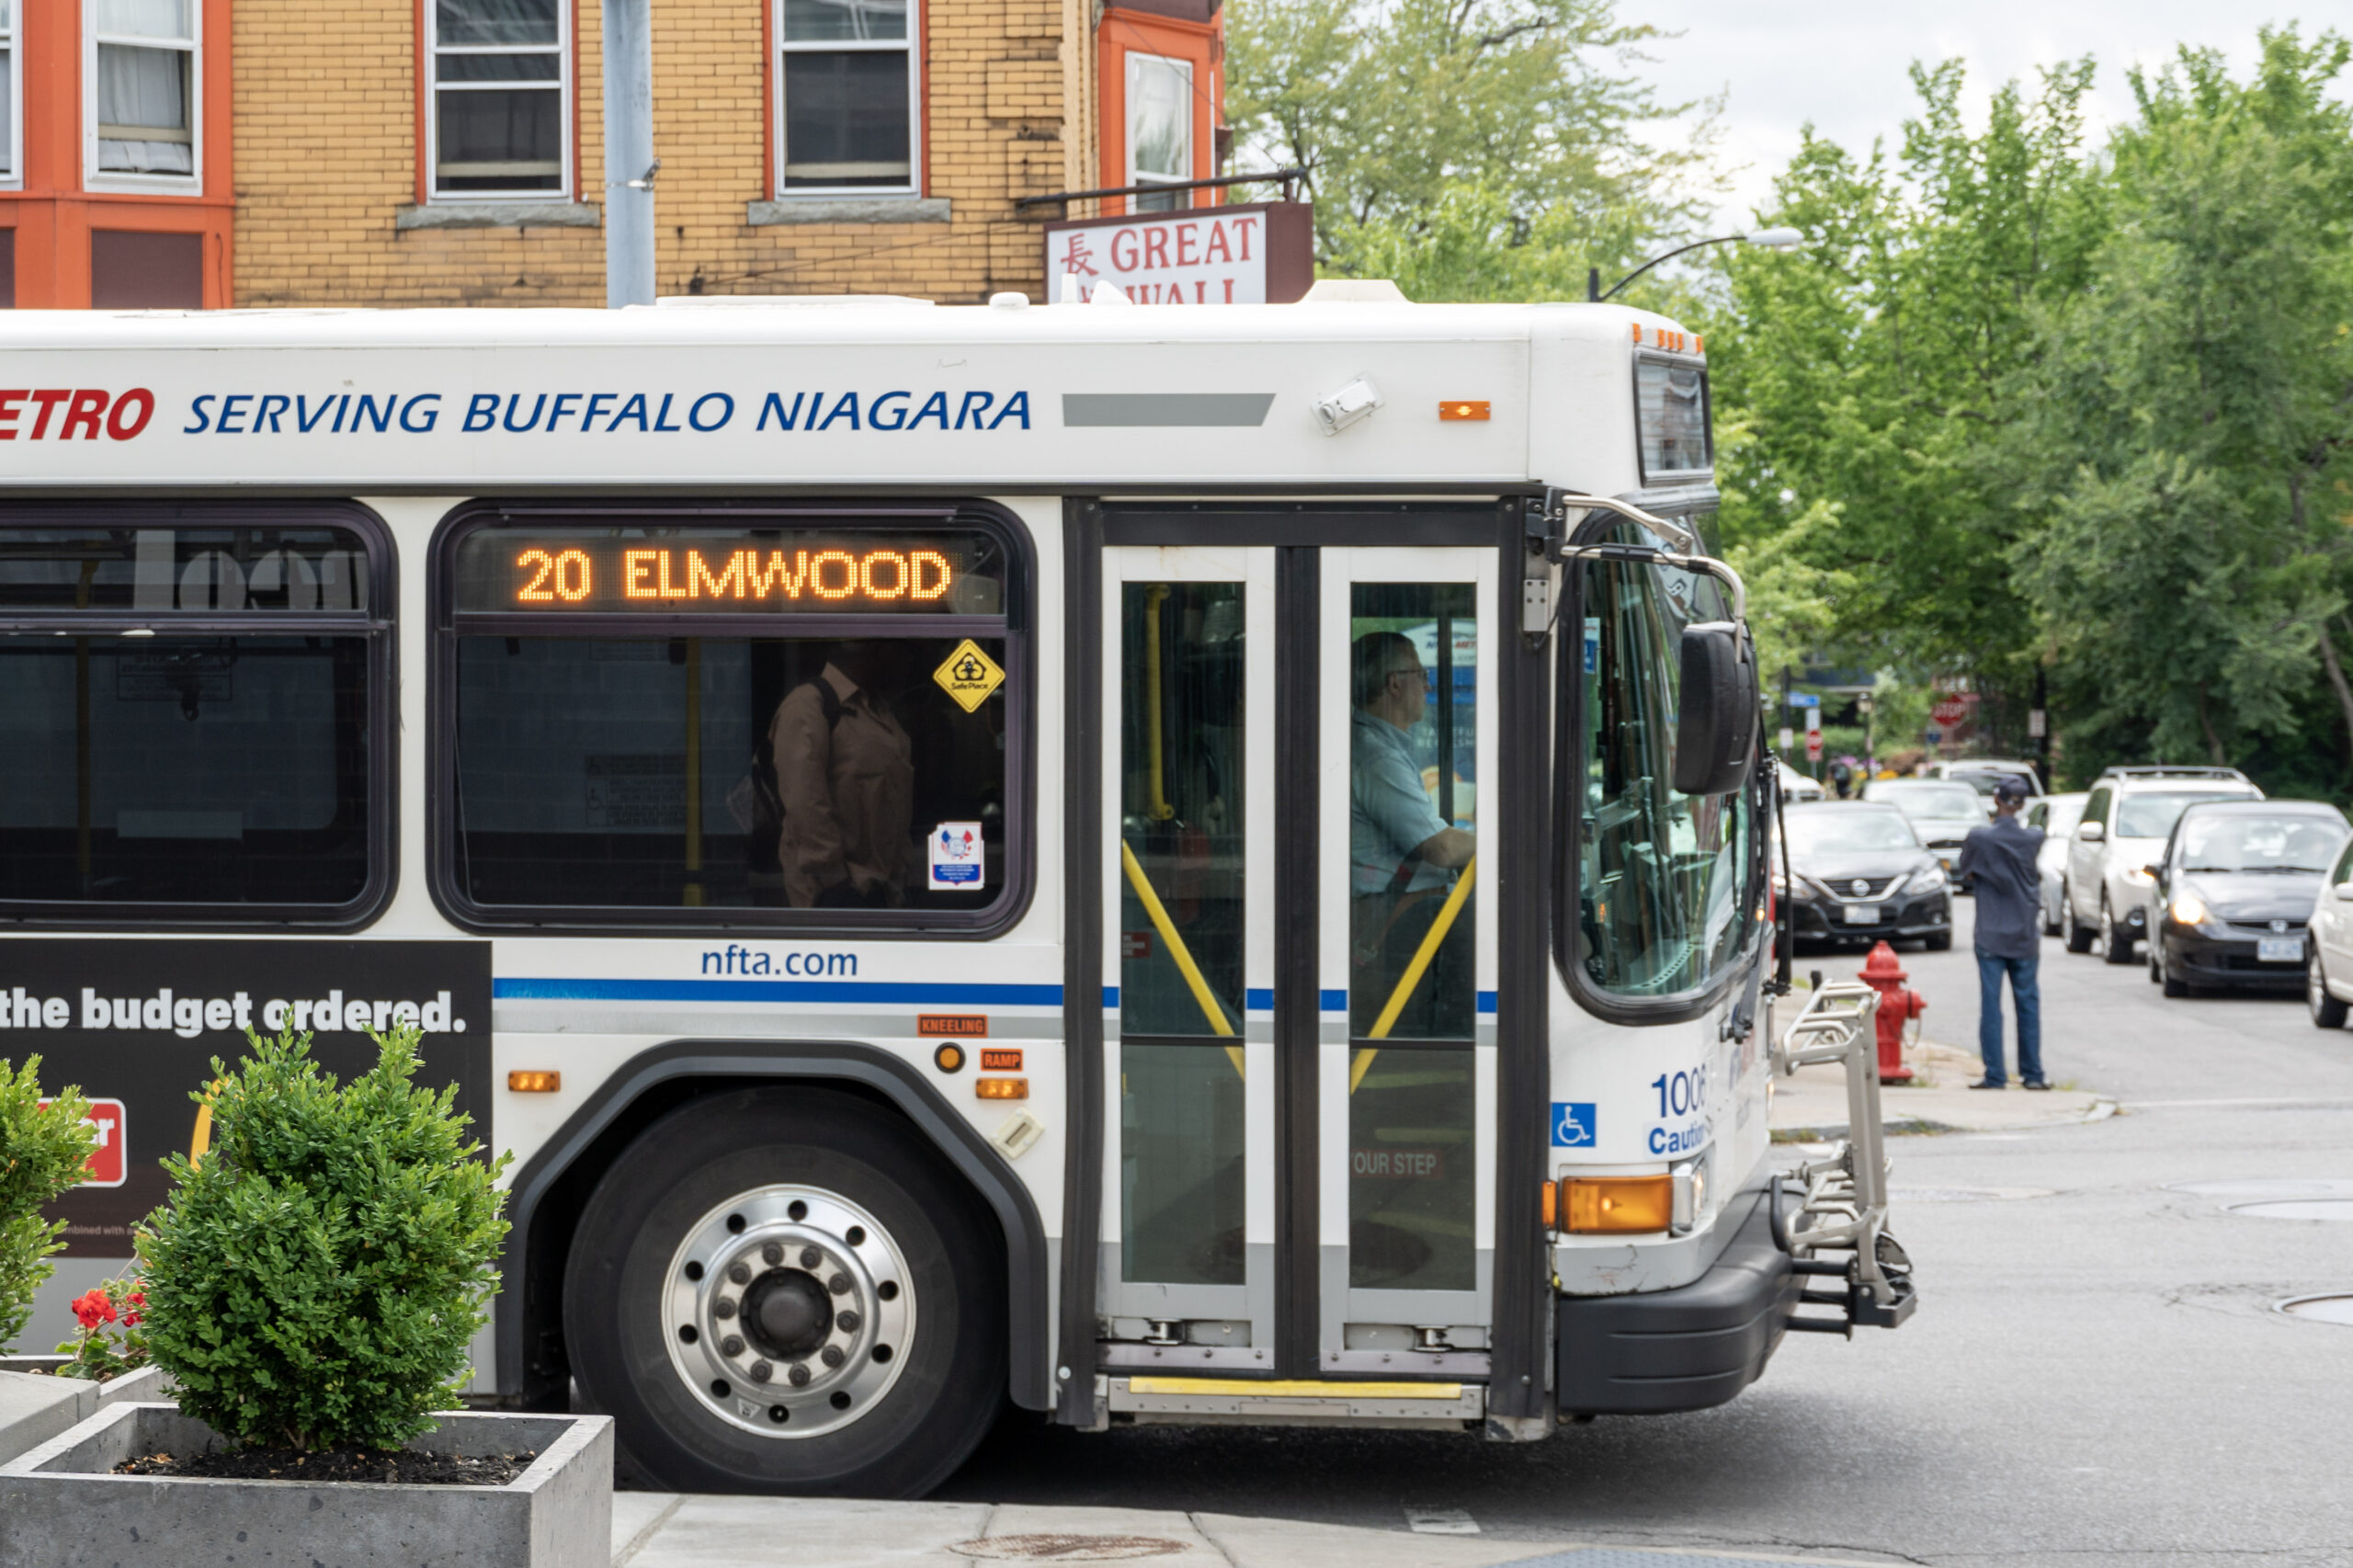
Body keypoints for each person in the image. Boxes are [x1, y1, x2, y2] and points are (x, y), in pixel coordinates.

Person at [1348, 631, 1475, 1038]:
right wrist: (1518, 840)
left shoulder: (1380, 747)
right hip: (1399, 920)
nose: (1428, 685)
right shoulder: (1377, 757)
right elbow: (1439, 848)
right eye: (1421, 674)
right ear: (1394, 684)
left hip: (1405, 914)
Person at [768, 642, 916, 908]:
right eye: (899, 647)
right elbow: (805, 802)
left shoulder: (879, 711)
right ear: (870, 650)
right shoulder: (809, 706)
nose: (907, 661)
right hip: (834, 895)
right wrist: (835, 879)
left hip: (882, 889)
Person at [1955, 773, 2047, 1089]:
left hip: (1991, 933)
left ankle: (1995, 1074)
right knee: (2028, 1004)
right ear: (2021, 804)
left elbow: (1964, 869)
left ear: (1996, 800)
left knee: (1991, 1005)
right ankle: (2032, 1074)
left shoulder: (1980, 838)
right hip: (2024, 931)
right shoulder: (2034, 838)